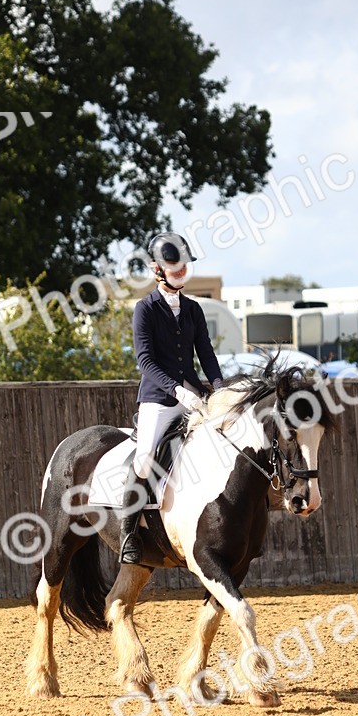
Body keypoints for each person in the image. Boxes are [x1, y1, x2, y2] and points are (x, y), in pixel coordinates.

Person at [119, 231, 225, 565]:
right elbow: (145, 361)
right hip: (158, 397)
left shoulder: (193, 309)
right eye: (174, 266)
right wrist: (176, 389)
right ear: (157, 269)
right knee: (145, 455)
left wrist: (220, 390)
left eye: (183, 266)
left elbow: (206, 355)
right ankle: (129, 532)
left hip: (194, 394)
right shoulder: (145, 309)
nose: (181, 271)